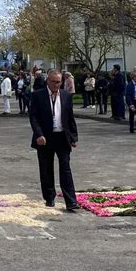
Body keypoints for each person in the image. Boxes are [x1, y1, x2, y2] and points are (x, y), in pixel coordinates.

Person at [29, 69, 79, 211]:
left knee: (66, 169)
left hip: (62, 137)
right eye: (53, 82)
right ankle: (49, 198)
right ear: (47, 81)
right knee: (46, 169)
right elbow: (33, 117)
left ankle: (71, 201)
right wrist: (38, 134)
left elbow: (70, 118)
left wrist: (74, 137)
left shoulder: (66, 96)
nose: (56, 85)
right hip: (45, 138)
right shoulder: (38, 95)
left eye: (59, 82)